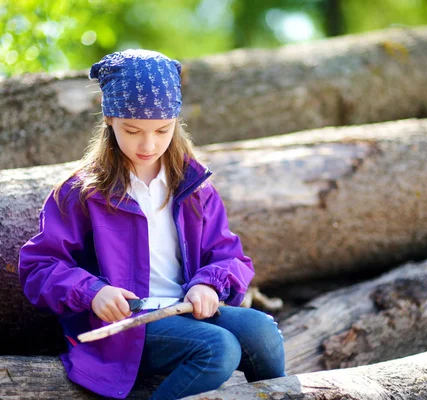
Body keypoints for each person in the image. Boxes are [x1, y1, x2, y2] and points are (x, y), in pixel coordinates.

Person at [18, 49, 286, 400]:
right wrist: (93, 292)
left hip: (185, 310)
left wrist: (208, 285)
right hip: (125, 327)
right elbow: (40, 266)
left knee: (262, 331)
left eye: (162, 130)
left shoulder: (193, 186)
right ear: (110, 119)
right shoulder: (81, 193)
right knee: (218, 349)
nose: (149, 144)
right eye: (133, 130)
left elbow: (228, 256)